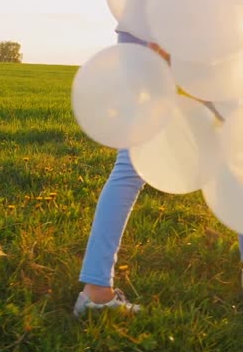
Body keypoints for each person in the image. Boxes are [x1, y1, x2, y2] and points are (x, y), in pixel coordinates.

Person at [73, 30, 243, 317]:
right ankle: (95, 292)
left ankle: (95, 291)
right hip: (178, 33)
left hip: (152, 34)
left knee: (130, 165)